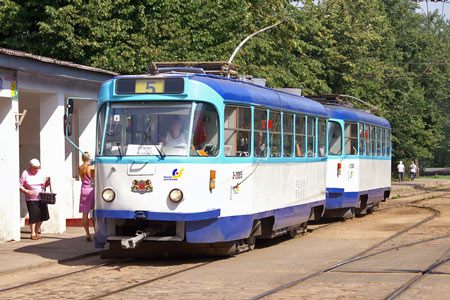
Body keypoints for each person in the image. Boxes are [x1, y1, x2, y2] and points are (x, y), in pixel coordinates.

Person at [19, 158, 50, 240]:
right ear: (30, 167)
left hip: (42, 197)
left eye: (38, 168)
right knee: (33, 216)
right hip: (31, 199)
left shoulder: (41, 172)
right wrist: (27, 191)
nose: (37, 170)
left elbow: (44, 185)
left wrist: (47, 183)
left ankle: (36, 232)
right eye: (35, 168)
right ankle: (32, 233)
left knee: (43, 216)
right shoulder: (25, 173)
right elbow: (20, 185)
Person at [79, 152, 95, 241]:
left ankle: (87, 234)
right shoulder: (91, 168)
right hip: (91, 190)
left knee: (85, 214)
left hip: (83, 190)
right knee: (94, 213)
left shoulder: (80, 168)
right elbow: (93, 180)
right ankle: (96, 231)